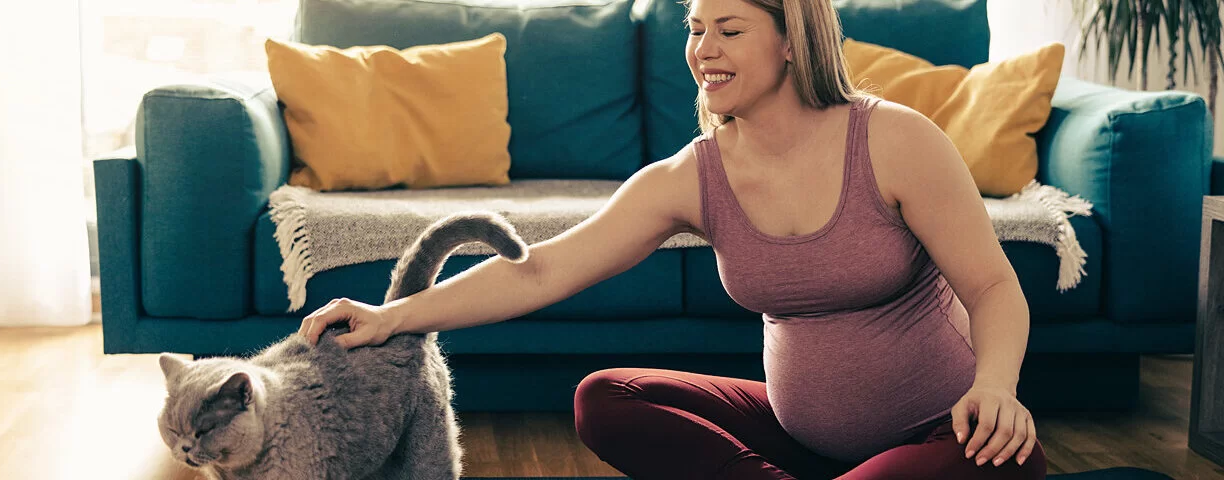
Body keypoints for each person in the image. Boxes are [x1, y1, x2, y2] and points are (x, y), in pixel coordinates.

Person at [298, 0, 1048, 477]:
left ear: (792, 38)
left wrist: (995, 388)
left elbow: (991, 287)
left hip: (954, 439)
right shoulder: (693, 176)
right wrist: (392, 316)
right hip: (801, 444)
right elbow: (542, 269)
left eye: (729, 29)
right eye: (694, 29)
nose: (702, 49)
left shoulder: (895, 141)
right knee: (606, 399)